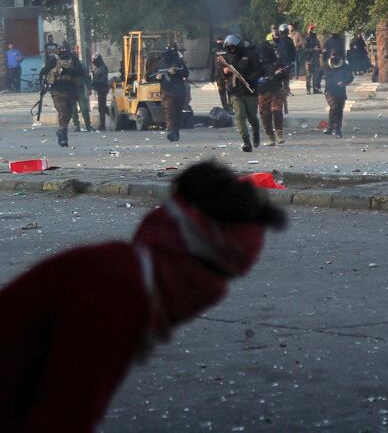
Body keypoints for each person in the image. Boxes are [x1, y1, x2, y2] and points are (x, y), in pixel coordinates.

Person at [0, 161, 286, 432]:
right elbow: (62, 417)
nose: (217, 293)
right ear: (186, 258)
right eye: (216, 274)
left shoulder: (120, 268)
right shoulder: (115, 293)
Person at [220, 34, 261, 152]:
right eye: (230, 48)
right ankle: (246, 141)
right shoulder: (227, 58)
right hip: (235, 92)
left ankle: (256, 133)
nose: (232, 50)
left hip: (250, 90)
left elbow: (259, 70)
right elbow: (222, 74)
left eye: (234, 47)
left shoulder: (250, 55)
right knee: (240, 115)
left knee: (252, 117)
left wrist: (248, 79)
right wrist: (226, 71)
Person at [38, 44, 83, 147]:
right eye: (61, 52)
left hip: (71, 91)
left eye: (65, 51)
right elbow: (43, 72)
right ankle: (64, 136)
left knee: (68, 114)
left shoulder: (73, 59)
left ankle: (61, 131)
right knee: (63, 112)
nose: (63, 54)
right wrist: (41, 86)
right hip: (57, 91)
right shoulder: (54, 59)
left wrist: (67, 71)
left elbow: (80, 72)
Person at [256, 43, 290, 146]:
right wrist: (260, 80)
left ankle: (279, 135)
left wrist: (280, 73)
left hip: (276, 90)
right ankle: (270, 136)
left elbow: (285, 75)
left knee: (277, 111)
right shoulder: (258, 63)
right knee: (265, 115)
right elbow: (253, 76)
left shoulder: (277, 62)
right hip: (263, 91)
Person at [155, 43, 189, 142]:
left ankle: (175, 131)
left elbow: (186, 73)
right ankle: (170, 131)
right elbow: (152, 75)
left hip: (179, 92)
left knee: (177, 113)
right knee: (169, 112)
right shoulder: (160, 64)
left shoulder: (178, 62)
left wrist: (176, 72)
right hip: (166, 92)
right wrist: (158, 77)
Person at [323, 48, 354, 137]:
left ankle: (337, 130)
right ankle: (330, 127)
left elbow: (350, 77)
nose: (334, 57)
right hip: (329, 91)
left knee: (339, 110)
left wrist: (343, 82)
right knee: (334, 107)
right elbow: (319, 73)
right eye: (333, 56)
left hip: (340, 91)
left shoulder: (345, 66)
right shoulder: (326, 65)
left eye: (336, 55)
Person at [88, 53, 109, 131]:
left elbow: (104, 80)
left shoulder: (103, 68)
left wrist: (95, 82)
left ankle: (102, 125)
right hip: (99, 89)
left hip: (103, 89)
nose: (94, 62)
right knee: (102, 107)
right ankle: (113, 116)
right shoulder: (97, 68)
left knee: (102, 108)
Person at [211, 37, 232, 112]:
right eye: (218, 40)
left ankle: (230, 108)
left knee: (230, 91)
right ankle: (226, 108)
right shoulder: (214, 51)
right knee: (222, 92)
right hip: (218, 75)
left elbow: (231, 61)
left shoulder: (228, 50)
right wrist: (211, 76)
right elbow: (212, 64)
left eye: (221, 40)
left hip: (227, 74)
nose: (219, 41)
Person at [303, 24, 323, 94]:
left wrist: (322, 51)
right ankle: (308, 90)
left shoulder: (316, 39)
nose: (314, 30)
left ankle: (315, 90)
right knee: (308, 76)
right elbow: (304, 49)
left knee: (316, 76)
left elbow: (319, 48)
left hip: (316, 59)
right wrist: (313, 49)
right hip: (309, 60)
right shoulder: (307, 39)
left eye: (314, 29)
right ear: (310, 30)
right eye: (312, 29)